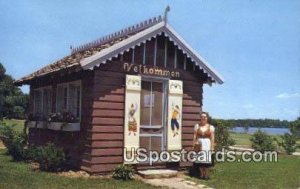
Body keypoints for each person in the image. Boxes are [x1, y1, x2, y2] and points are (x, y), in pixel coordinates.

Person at [193, 112, 215, 180]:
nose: (203, 118)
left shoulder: (211, 127)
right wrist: (193, 144)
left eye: (205, 117)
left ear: (207, 118)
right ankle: (201, 174)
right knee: (200, 160)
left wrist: (212, 147)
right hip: (199, 144)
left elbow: (212, 138)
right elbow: (194, 136)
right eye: (202, 117)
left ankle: (206, 175)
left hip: (207, 145)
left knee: (206, 161)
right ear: (200, 118)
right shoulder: (197, 126)